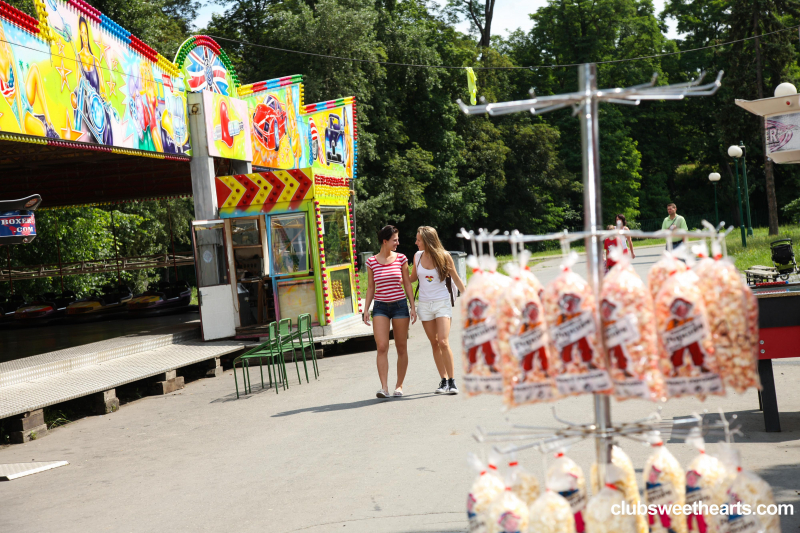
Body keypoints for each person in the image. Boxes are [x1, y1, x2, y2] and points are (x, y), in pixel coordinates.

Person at [409, 226, 466, 395]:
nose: (416, 242)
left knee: (443, 341)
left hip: (442, 302)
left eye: (418, 239)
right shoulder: (417, 257)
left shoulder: (444, 256)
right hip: (425, 305)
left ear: (427, 241)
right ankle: (443, 380)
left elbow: (456, 277)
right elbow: (412, 278)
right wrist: (394, 269)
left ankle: (452, 381)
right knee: (434, 343)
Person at [363, 225, 417, 398]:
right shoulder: (371, 261)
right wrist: (366, 309)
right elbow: (371, 287)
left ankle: (399, 386)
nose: (397, 243)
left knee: (401, 347)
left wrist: (412, 306)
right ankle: (384, 388)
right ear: (385, 241)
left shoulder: (401, 259)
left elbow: (407, 283)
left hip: (400, 306)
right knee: (382, 346)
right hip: (380, 307)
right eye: (395, 240)